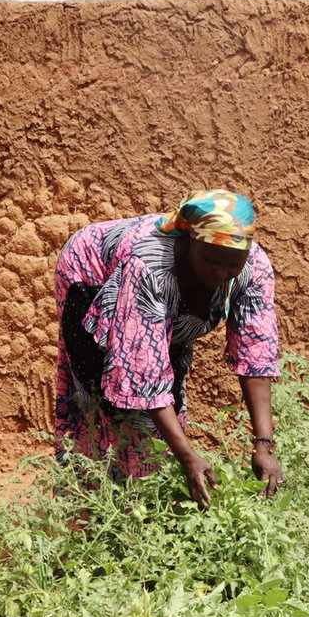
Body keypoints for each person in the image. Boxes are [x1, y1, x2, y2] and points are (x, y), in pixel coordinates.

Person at [53, 188, 283, 508]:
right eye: (212, 262)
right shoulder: (148, 264)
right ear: (188, 242)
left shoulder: (252, 267)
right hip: (89, 276)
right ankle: (89, 510)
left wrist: (263, 445)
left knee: (168, 400)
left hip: (155, 307)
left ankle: (152, 502)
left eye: (232, 266)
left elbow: (255, 351)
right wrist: (187, 456)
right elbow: (142, 374)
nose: (221, 274)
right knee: (100, 402)